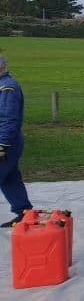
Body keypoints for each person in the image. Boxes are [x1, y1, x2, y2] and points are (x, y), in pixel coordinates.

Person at [0, 55, 32, 228]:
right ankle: (24, 213)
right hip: (8, 141)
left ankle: (24, 213)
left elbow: (9, 119)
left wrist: (3, 144)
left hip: (6, 141)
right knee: (10, 178)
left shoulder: (7, 87)